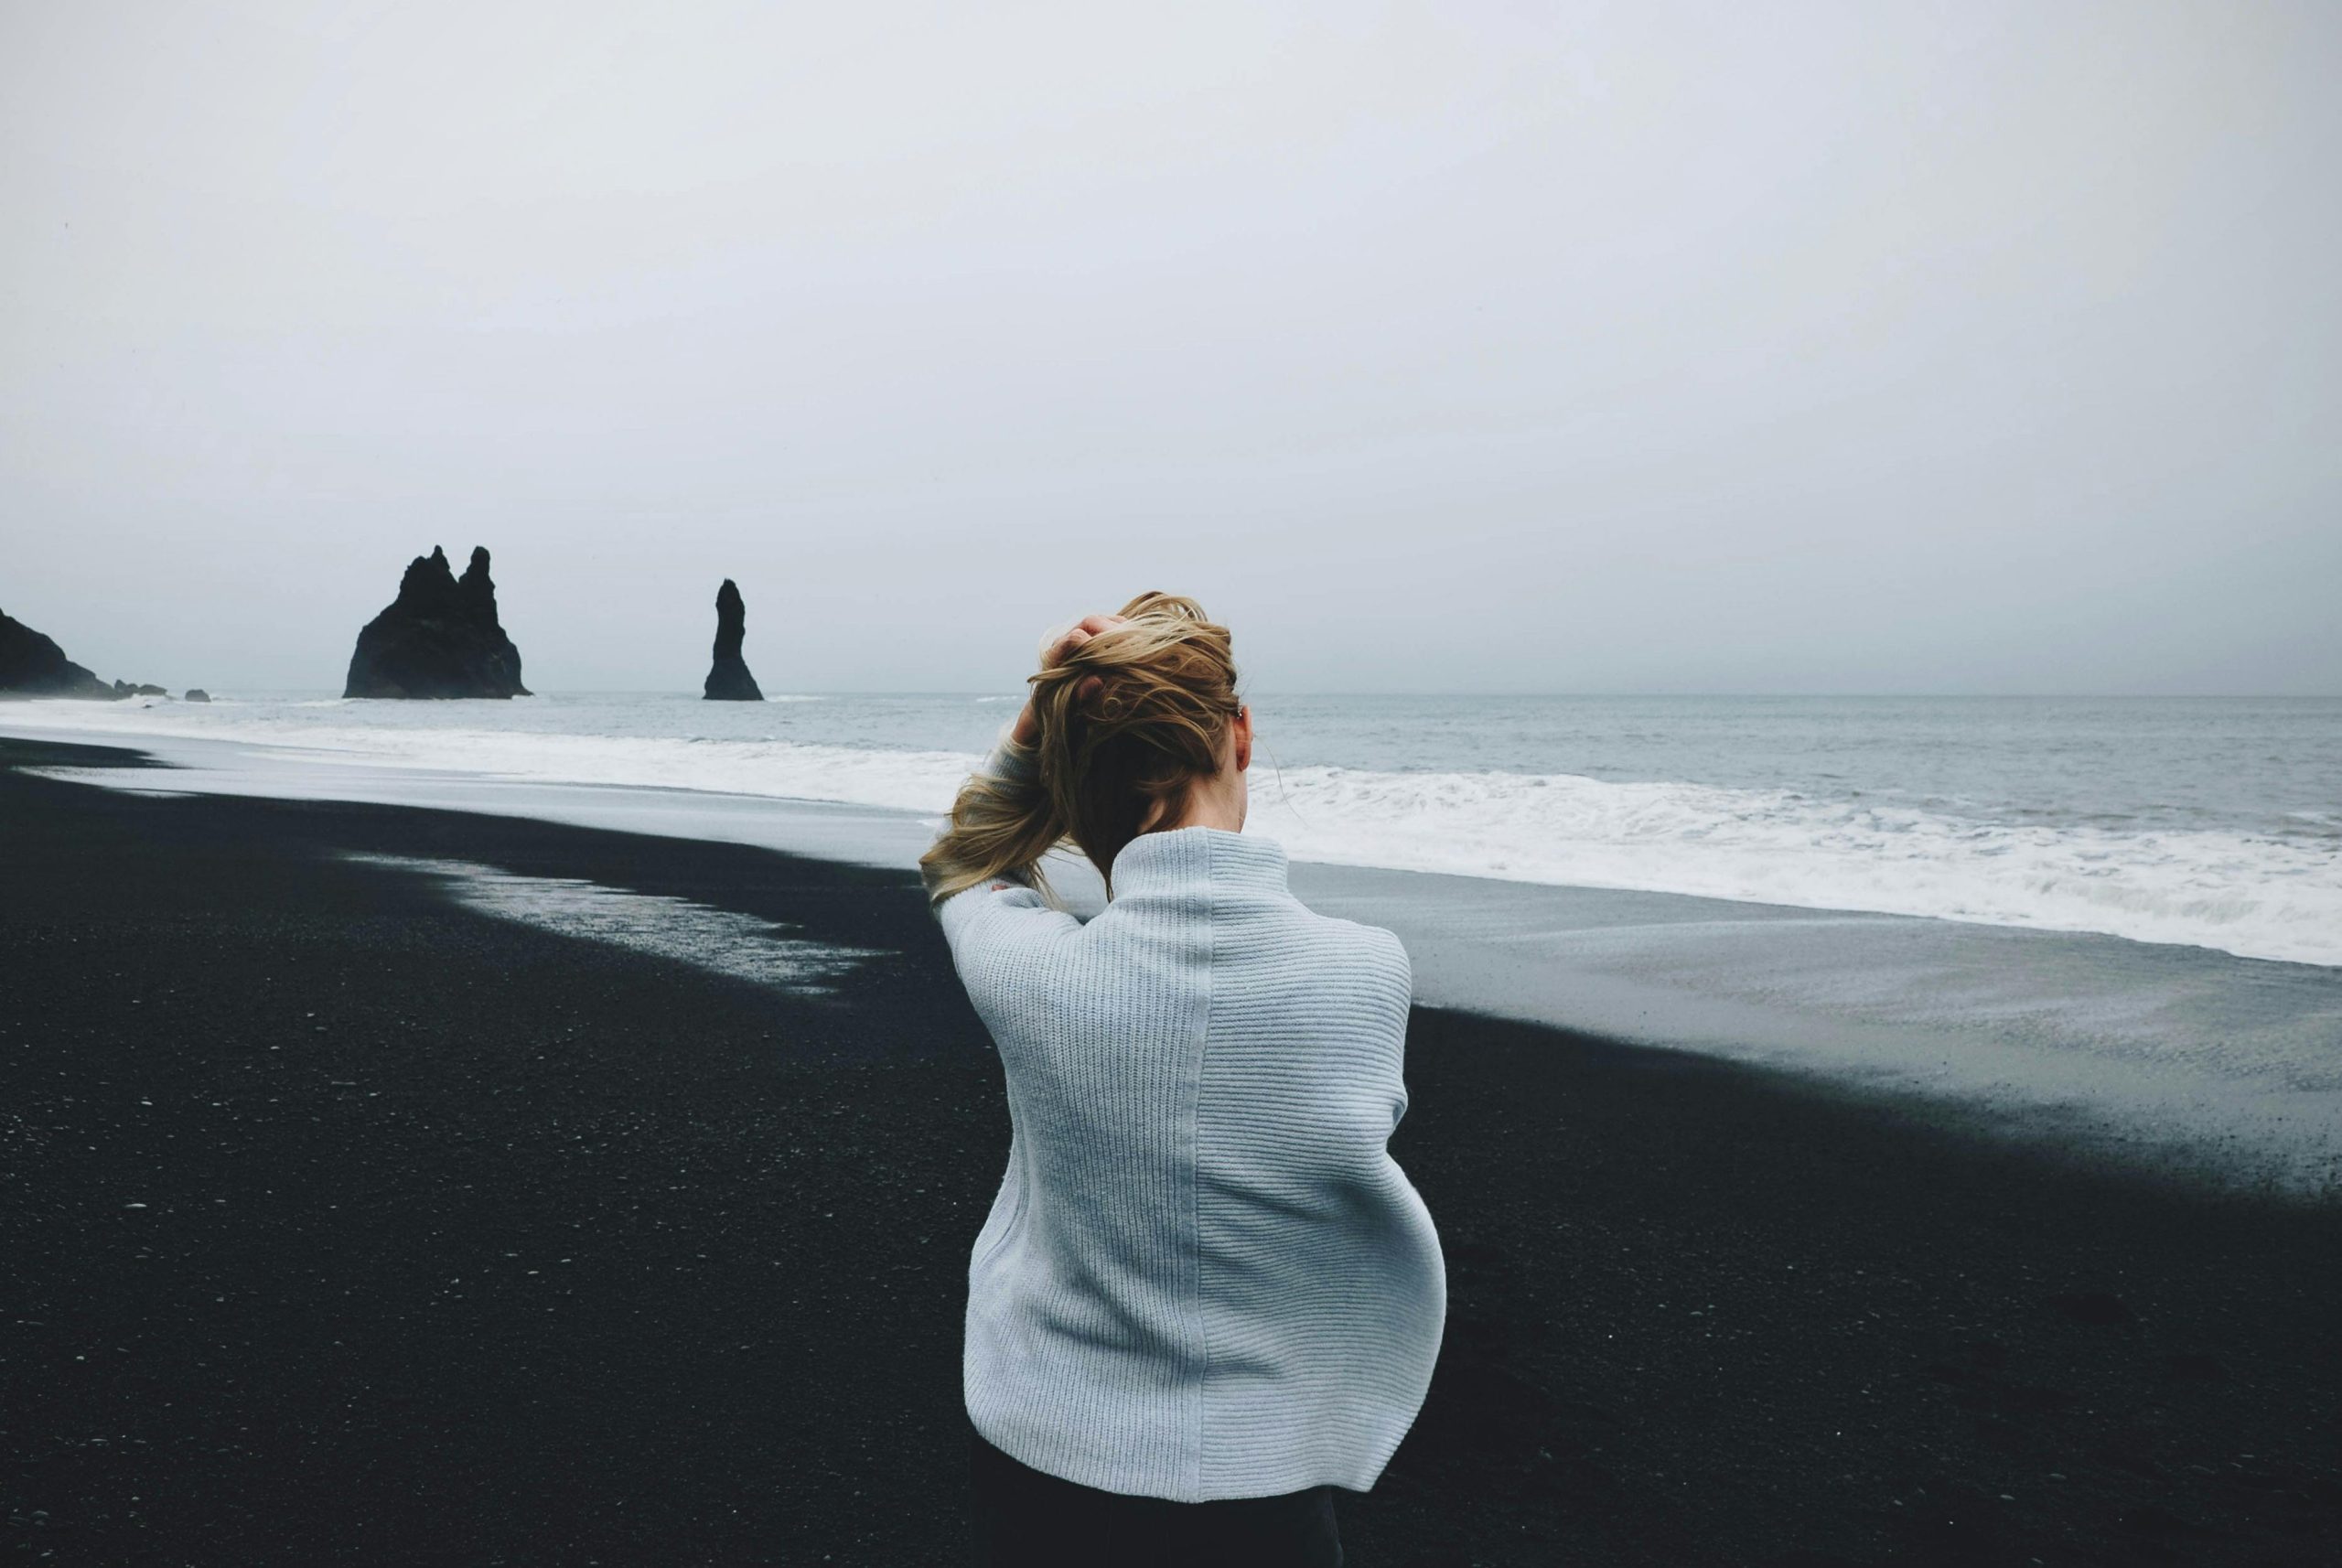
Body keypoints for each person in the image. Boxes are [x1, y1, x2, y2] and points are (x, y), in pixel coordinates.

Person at [920, 592, 1447, 1566]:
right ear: (1239, 734)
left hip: (1046, 1453)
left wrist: (1037, 729)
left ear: (1079, 769)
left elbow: (964, 856)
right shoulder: (1366, 971)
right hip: (1263, 1471)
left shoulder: (1031, 970)